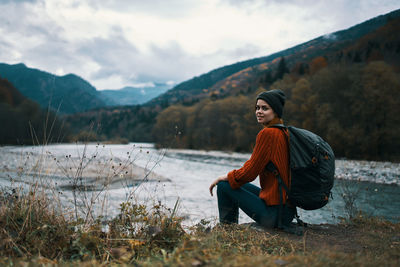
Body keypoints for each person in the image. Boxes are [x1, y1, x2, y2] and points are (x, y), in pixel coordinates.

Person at [209, 89, 295, 228]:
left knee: (224, 185)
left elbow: (250, 173)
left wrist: (222, 177)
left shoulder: (268, 133)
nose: (259, 111)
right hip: (286, 212)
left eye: (265, 108)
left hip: (274, 215)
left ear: (276, 111)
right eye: (257, 107)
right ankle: (229, 230)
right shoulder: (285, 132)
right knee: (234, 182)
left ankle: (227, 232)